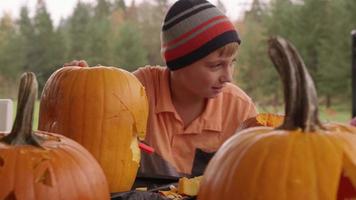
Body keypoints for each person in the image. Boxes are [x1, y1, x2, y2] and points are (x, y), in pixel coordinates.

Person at [66, 0, 257, 178]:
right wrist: (75, 89)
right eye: (215, 65)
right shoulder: (138, 90)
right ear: (180, 62)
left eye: (232, 63)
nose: (228, 77)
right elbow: (92, 123)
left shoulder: (240, 110)